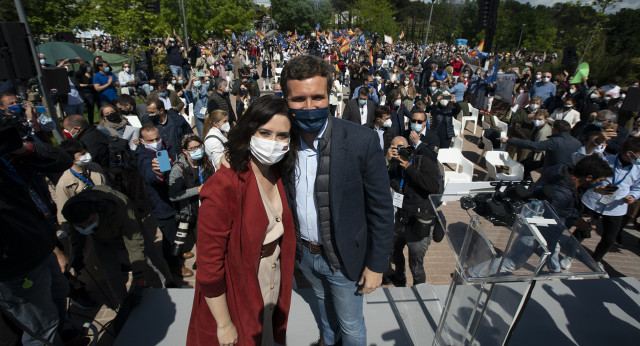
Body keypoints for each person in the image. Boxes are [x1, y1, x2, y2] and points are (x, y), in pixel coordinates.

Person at [280, 55, 394, 346]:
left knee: (352, 325)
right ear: (286, 98)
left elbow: (381, 209)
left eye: (317, 97)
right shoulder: (282, 142)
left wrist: (377, 265)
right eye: (299, 99)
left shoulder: (361, 141)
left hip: (345, 259)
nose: (309, 106)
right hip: (306, 257)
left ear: (329, 96)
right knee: (323, 308)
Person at [187, 96, 298, 346]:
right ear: (249, 131)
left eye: (282, 136)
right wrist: (224, 324)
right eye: (265, 132)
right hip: (238, 285)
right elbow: (208, 266)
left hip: (272, 277)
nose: (273, 142)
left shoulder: (280, 173)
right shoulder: (224, 185)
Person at [0, 137, 72, 346]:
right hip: (16, 269)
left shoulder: (9, 157)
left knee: (59, 298)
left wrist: (20, 147)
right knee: (41, 329)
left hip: (42, 248)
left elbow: (61, 160)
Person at [61, 185, 151, 306]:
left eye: (89, 223)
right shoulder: (74, 214)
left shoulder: (119, 208)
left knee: (151, 256)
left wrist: (139, 274)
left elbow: (135, 243)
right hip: (101, 241)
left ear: (97, 211)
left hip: (127, 228)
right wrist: (77, 252)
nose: (86, 228)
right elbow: (76, 235)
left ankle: (168, 283)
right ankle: (123, 303)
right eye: (81, 226)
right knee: (111, 272)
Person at [136, 124, 193, 278]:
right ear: (142, 141)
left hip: (173, 200)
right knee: (170, 238)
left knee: (178, 228)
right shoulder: (144, 157)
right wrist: (159, 175)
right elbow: (150, 176)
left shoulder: (163, 148)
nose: (155, 141)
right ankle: (174, 266)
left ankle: (179, 252)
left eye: (157, 138)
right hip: (162, 205)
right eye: (151, 140)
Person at [385, 136, 441, 286]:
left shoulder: (423, 161)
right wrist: (386, 161)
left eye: (402, 147)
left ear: (409, 147)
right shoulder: (394, 165)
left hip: (418, 221)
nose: (399, 151)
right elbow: (380, 181)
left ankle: (419, 292)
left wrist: (409, 168)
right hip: (401, 217)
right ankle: (400, 277)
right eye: (394, 147)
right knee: (394, 251)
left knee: (415, 265)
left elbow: (433, 186)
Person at [577, 137, 640, 266]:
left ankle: (595, 260)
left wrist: (633, 196)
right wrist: (596, 188)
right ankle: (569, 254)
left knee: (609, 239)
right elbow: (589, 178)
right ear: (630, 153)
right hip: (595, 202)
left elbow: (637, 188)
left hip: (617, 206)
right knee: (582, 229)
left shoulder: (638, 169)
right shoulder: (606, 160)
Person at [168, 134, 215, 262]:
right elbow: (173, 195)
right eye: (192, 148)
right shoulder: (179, 168)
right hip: (193, 211)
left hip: (210, 208)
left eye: (199, 146)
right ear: (185, 151)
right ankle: (203, 263)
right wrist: (198, 190)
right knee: (202, 240)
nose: (197, 150)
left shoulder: (205, 161)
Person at [502, 120, 582, 173]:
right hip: (568, 173)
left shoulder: (555, 141)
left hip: (553, 173)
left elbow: (534, 145)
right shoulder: (578, 143)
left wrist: (509, 140)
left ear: (555, 130)